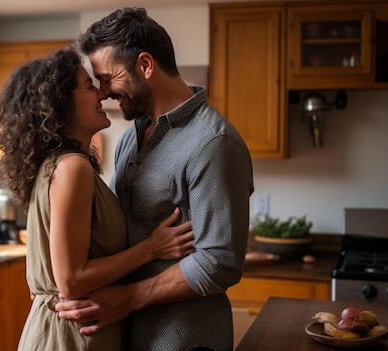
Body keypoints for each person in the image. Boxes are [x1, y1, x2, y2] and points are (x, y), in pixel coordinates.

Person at [55, 8, 255, 351]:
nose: (103, 92)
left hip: (184, 341)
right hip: (125, 335)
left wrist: (128, 298)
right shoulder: (131, 138)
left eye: (107, 77)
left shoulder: (214, 143)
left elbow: (219, 263)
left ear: (145, 65)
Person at [0, 45, 195, 350]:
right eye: (89, 86)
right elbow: (71, 280)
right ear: (60, 104)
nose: (102, 94)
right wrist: (151, 248)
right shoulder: (73, 168)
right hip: (71, 338)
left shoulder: (64, 164)